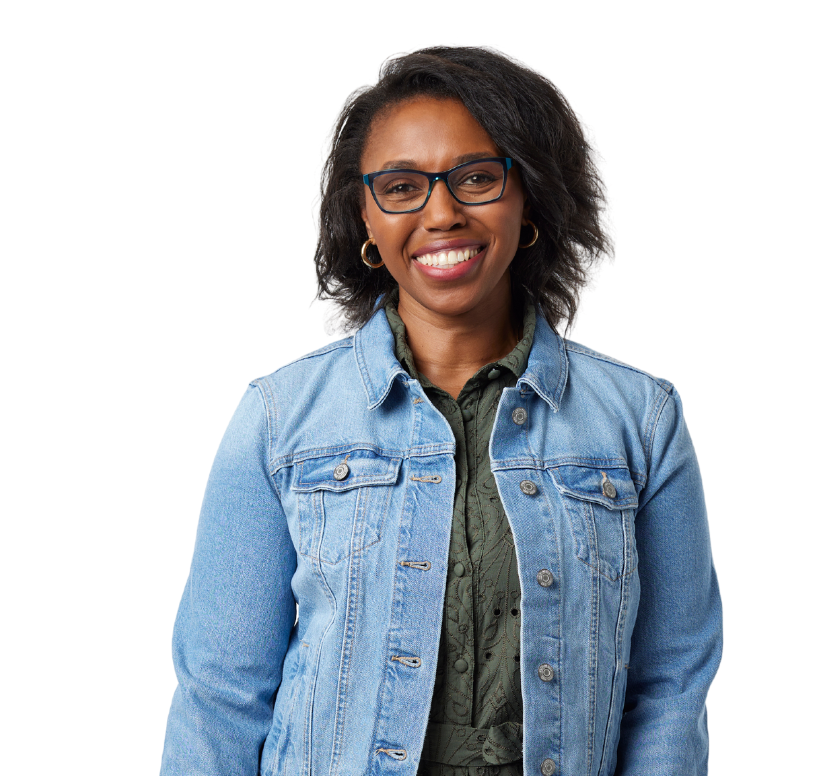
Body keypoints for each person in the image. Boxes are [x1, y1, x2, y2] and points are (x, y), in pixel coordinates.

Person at [161, 46, 722, 776]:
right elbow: (221, 697)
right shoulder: (282, 420)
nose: (442, 213)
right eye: (400, 187)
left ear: (532, 203)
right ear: (364, 216)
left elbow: (671, 688)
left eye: (478, 178)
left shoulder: (639, 421)